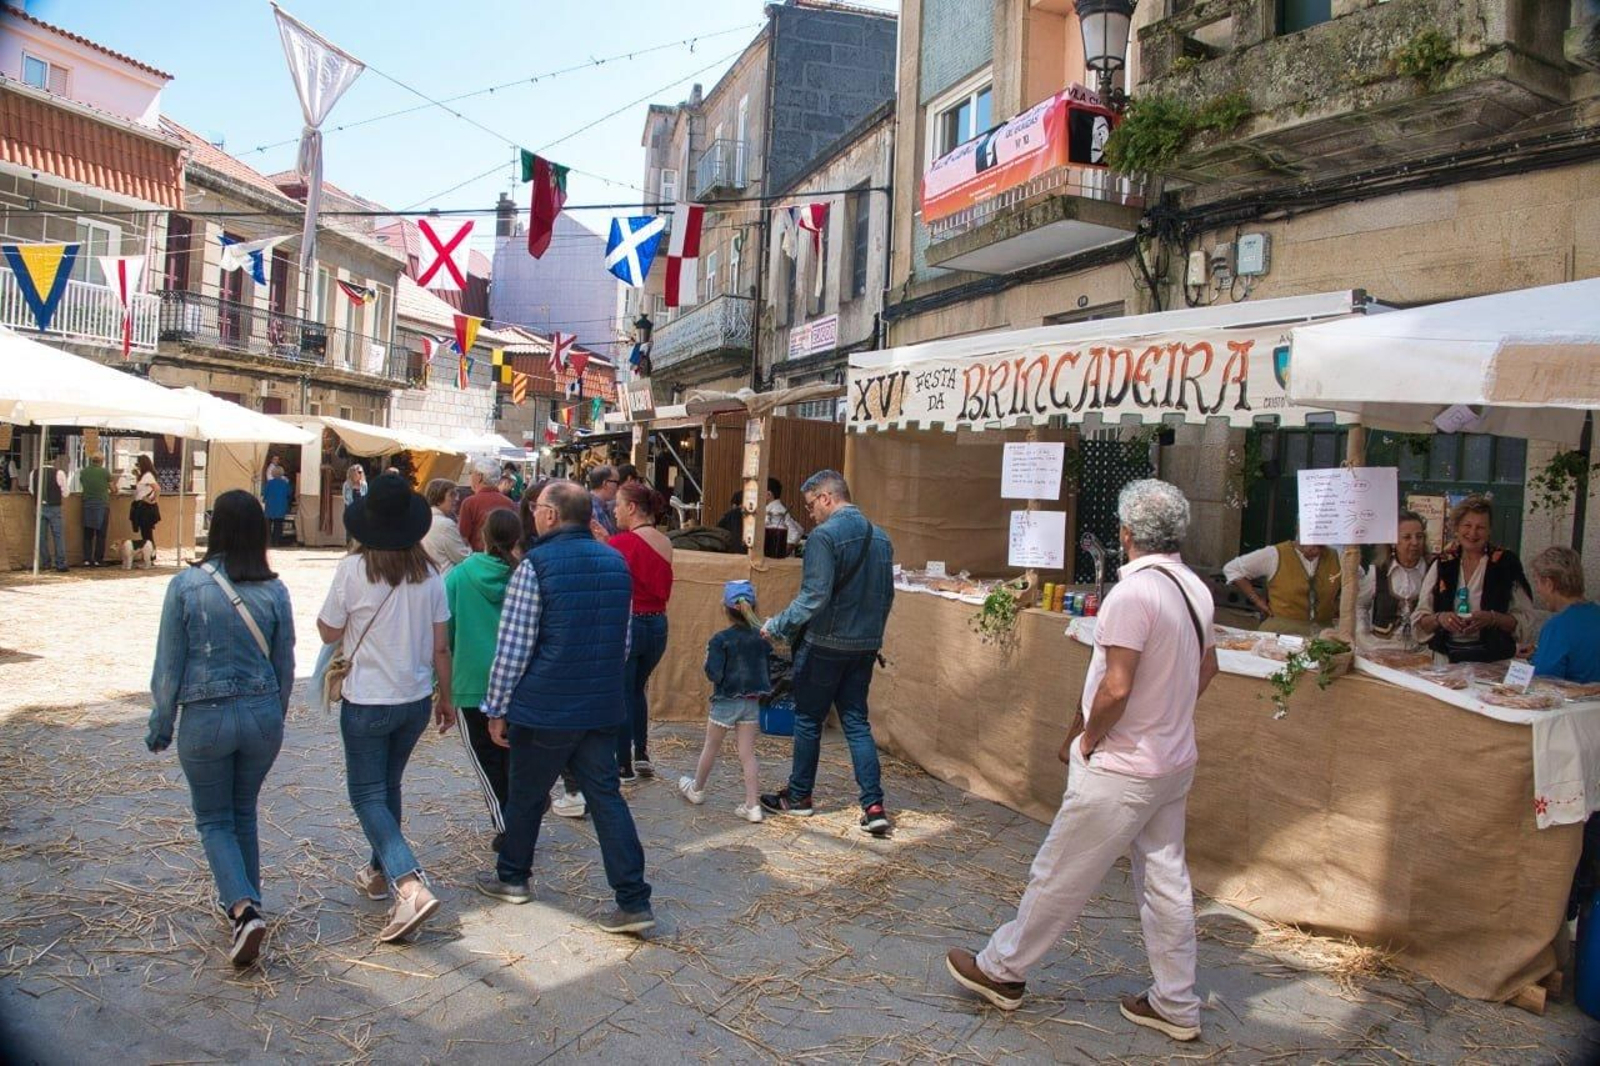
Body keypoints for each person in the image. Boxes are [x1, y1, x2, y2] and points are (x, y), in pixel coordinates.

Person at [945, 479, 1218, 1043]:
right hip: (1172, 760)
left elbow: (1115, 689)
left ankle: (1003, 970)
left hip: (1124, 765)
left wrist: (1090, 738)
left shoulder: (1134, 594)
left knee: (1060, 870)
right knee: (1166, 881)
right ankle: (1176, 1001)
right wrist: (1166, 714)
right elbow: (1207, 669)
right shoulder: (1195, 588)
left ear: (1127, 533)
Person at [473, 481, 655, 934]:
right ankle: (633, 900)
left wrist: (496, 706)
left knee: (527, 796)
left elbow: (513, 648)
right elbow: (623, 641)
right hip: (598, 705)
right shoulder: (615, 561)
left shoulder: (535, 566)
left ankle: (513, 876)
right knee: (607, 798)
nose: (533, 515)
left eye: (537, 508)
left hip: (545, 706)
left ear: (551, 516)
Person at [146, 491, 295, 967]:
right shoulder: (275, 591)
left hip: (206, 718)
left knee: (213, 819)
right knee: (243, 811)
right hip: (260, 716)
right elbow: (285, 666)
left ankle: (242, 907)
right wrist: (277, 715)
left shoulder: (186, 586)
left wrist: (161, 723)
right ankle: (249, 902)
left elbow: (168, 665)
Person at [317, 473, 456, 944]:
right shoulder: (432, 574)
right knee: (388, 786)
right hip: (414, 699)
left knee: (366, 794)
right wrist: (447, 697)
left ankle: (408, 881)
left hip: (367, 699)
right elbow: (442, 648)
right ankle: (379, 873)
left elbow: (326, 632)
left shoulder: (353, 571)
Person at [759, 470, 896, 835]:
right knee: (856, 722)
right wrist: (873, 638)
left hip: (825, 644)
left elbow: (813, 597)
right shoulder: (881, 538)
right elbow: (887, 598)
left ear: (826, 498)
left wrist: (777, 625)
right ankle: (874, 805)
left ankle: (800, 796)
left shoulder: (824, 536)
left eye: (810, 506)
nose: (810, 515)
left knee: (808, 719)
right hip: (865, 646)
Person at [445, 509, 522, 852]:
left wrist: (440, 686)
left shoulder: (459, 577)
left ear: (483, 537)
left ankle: (508, 828)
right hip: (517, 680)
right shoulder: (523, 578)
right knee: (510, 755)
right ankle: (519, 815)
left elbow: (443, 636)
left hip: (471, 681)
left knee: (486, 760)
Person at [680, 581, 771, 822]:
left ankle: (697, 789)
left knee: (711, 745)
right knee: (747, 754)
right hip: (751, 701)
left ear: (725, 608)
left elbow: (714, 673)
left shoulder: (720, 640)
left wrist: (706, 662)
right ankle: (753, 805)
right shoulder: (762, 637)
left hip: (725, 701)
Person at [1410, 495, 1534, 662]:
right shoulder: (1443, 563)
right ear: (1457, 528)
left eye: (1480, 527)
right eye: (1467, 525)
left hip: (1494, 661)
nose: (1472, 533)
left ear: (1489, 530)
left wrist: (1492, 618)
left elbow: (1524, 622)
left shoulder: (1506, 563)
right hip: (1446, 660)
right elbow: (1422, 620)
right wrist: (1441, 618)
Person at [609, 481, 674, 781]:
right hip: (658, 624)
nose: (614, 510)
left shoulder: (621, 543)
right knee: (638, 689)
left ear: (632, 508)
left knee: (623, 693)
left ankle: (623, 764)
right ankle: (642, 753)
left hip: (630, 623)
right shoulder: (666, 542)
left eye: (619, 504)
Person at [1222, 535, 1340, 636]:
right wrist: (1257, 600)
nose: (1315, 551)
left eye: (1320, 546)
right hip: (1280, 632)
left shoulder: (1337, 557)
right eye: (1310, 545)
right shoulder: (1275, 554)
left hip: (1323, 634)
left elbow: (1355, 589)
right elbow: (1232, 568)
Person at [1356, 509, 1429, 644]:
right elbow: (1360, 605)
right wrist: (1363, 634)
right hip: (1382, 648)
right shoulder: (1377, 572)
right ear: (1393, 542)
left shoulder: (1433, 570)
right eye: (1407, 537)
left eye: (1419, 536)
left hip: (1422, 649)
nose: (1415, 542)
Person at [1528, 546, 1600, 683]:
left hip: (1575, 703)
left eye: (1537, 583)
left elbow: (1543, 682)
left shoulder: (1557, 627)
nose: (1537, 590)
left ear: (1549, 584)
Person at [457, 463, 516, 552]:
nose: (470, 477)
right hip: (503, 558)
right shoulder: (509, 503)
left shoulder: (470, 503)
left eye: (471, 473)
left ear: (479, 477)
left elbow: (463, 537)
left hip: (478, 557)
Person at [420, 477, 470, 576]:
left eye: (457, 494)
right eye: (452, 494)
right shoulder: (445, 525)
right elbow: (463, 557)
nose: (457, 498)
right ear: (438, 499)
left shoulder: (423, 519)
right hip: (445, 581)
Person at [33, 455, 69, 572]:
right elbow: (66, 493)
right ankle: (60, 563)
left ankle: (45, 562)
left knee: (41, 536)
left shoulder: (34, 473)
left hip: (39, 507)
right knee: (58, 536)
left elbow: (31, 490)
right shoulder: (59, 473)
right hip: (54, 507)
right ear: (54, 461)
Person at [129, 454, 161, 570]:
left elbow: (157, 488)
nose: (137, 466)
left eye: (138, 464)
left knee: (147, 534)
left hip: (145, 508)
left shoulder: (148, 475)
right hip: (141, 506)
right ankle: (148, 558)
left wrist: (153, 500)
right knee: (145, 533)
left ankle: (150, 558)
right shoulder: (144, 476)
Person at [79, 452, 111, 567]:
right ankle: (98, 559)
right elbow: (113, 488)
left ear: (91, 460)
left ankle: (87, 559)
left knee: (88, 533)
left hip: (87, 504)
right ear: (102, 461)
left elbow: (83, 484)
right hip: (102, 504)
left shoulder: (84, 472)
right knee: (101, 534)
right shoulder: (105, 472)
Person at [765, 478, 804, 548]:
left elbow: (795, 534)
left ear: (768, 494)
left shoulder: (777, 510)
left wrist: (781, 552)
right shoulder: (772, 509)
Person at [587, 464, 621, 538]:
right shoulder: (591, 509)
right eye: (617, 483)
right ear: (605, 483)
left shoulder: (599, 506)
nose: (619, 487)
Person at [262, 466, 292, 547]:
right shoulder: (285, 484)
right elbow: (289, 493)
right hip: (280, 507)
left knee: (268, 526)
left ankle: (268, 542)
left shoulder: (269, 483)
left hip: (270, 508)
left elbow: (264, 494)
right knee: (278, 526)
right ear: (282, 473)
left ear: (273, 473)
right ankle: (277, 542)